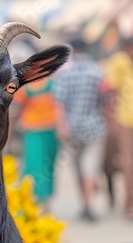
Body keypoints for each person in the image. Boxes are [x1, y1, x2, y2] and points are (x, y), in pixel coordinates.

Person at [54, 38, 107, 222]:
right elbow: (104, 98)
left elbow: (59, 102)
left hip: (72, 129)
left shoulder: (65, 74)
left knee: (78, 168)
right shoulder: (97, 71)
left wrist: (62, 126)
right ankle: (87, 204)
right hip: (95, 127)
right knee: (90, 167)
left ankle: (84, 204)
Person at [105, 36, 133, 221]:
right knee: (128, 164)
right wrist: (112, 120)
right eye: (130, 47)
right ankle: (132, 205)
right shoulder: (119, 62)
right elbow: (113, 92)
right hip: (124, 120)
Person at [12, 77, 59, 210]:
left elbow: (16, 109)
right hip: (36, 130)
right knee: (39, 165)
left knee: (42, 165)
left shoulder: (48, 84)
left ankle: (41, 200)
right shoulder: (48, 84)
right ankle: (35, 200)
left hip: (45, 129)